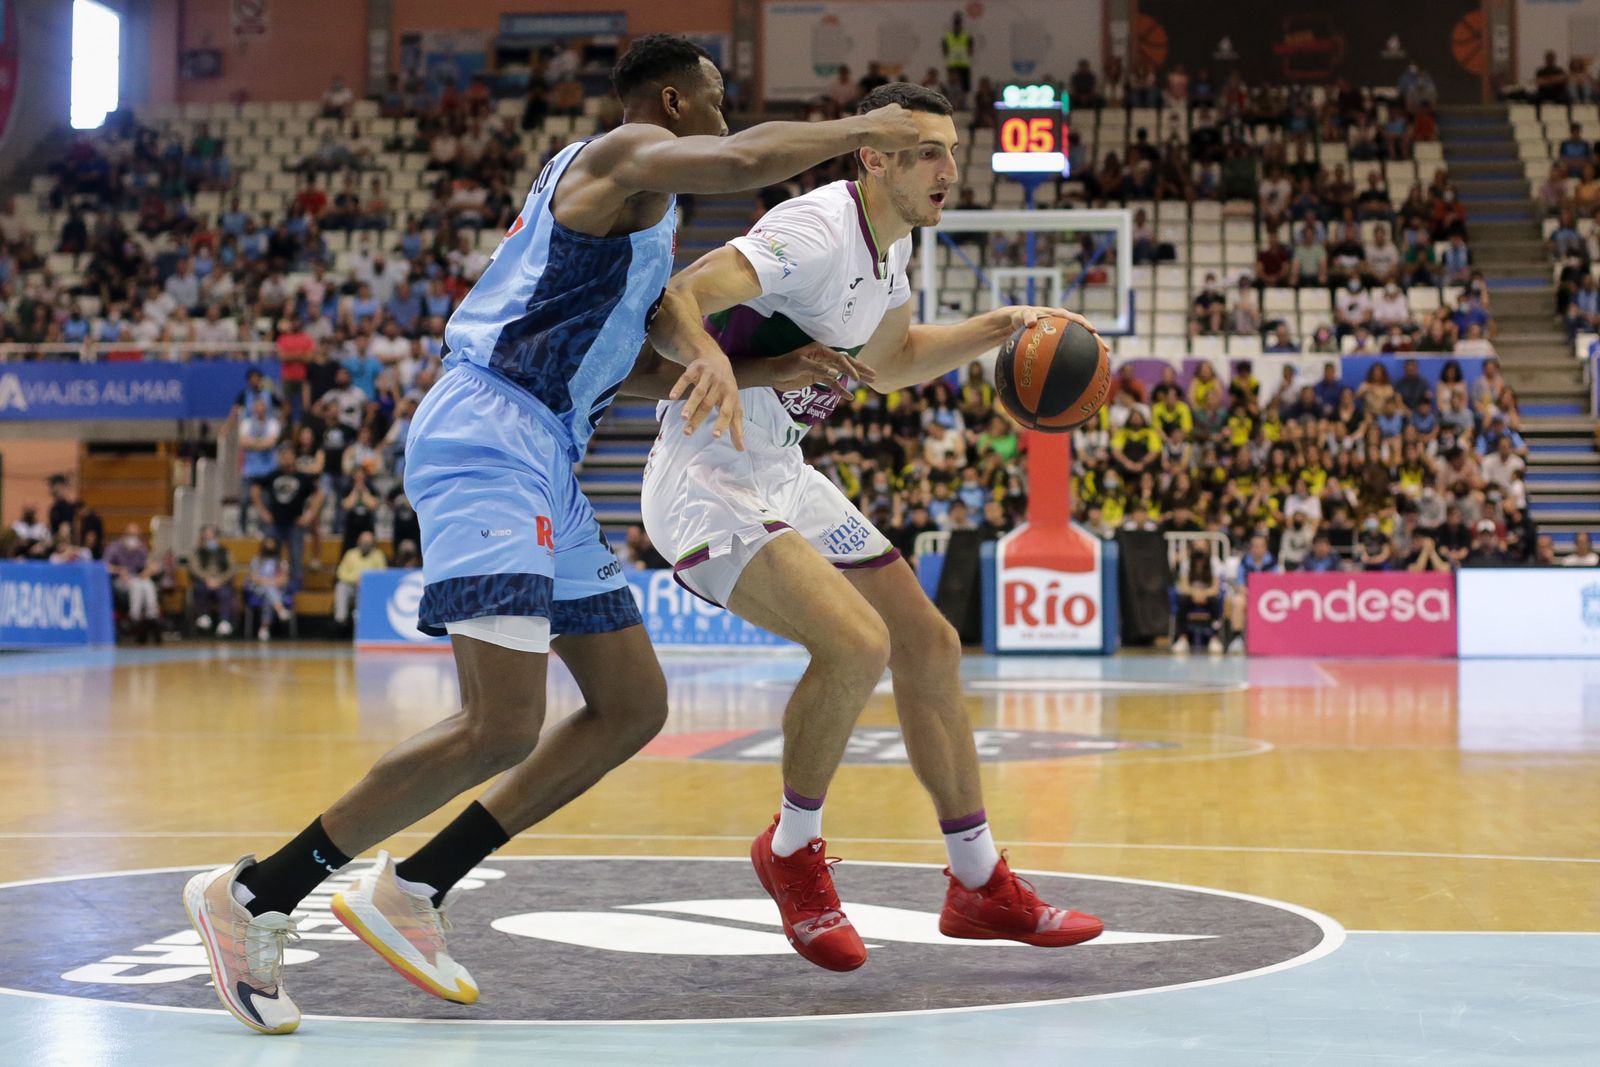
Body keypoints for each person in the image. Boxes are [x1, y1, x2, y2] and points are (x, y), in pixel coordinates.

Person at [183, 34, 926, 1036]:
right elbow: (749, 160)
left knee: (630, 703)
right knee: (500, 722)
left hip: (548, 453)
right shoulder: (617, 155)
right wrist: (864, 129)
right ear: (671, 102)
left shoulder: (640, 228)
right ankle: (259, 894)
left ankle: (417, 886)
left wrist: (752, 367)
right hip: (488, 434)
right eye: (713, 102)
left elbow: (637, 366)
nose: (722, 117)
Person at [631, 82, 1105, 975]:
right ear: (873, 157)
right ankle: (792, 851)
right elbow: (675, 300)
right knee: (856, 645)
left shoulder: (894, 249)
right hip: (707, 473)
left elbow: (887, 365)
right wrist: (722, 369)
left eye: (954, 151)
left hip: (782, 470)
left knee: (926, 643)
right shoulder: (814, 229)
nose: (950, 169)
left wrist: (1004, 326)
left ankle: (977, 883)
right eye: (929, 151)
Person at [105, 523, 162, 643]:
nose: (134, 539)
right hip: (120, 581)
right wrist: (119, 570)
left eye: (137, 536)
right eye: (131, 535)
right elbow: (104, 566)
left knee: (148, 584)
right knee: (137, 585)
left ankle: (152, 616)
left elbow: (152, 565)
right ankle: (134, 617)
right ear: (124, 535)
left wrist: (148, 571)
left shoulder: (141, 548)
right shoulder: (114, 547)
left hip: (136, 578)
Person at [333, 530, 388, 630]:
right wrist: (355, 579)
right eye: (364, 541)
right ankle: (340, 617)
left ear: (373, 543)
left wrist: (367, 581)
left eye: (368, 542)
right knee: (341, 587)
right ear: (359, 541)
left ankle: (361, 619)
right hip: (351, 585)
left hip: (370, 588)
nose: (366, 544)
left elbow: (382, 574)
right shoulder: (350, 554)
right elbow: (341, 573)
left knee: (364, 591)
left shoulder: (378, 555)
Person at [189, 524, 237, 636]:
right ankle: (203, 617)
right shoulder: (197, 551)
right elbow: (194, 567)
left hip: (221, 581)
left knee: (226, 592)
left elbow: (232, 568)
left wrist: (220, 579)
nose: (209, 537)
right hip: (204, 581)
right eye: (206, 535)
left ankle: (224, 621)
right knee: (200, 589)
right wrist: (207, 579)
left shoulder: (225, 551)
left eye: (211, 534)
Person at [941, 12, 974, 95]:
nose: (957, 27)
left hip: (963, 65)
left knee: (965, 88)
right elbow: (945, 51)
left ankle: (963, 103)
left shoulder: (967, 37)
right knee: (952, 87)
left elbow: (970, 51)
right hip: (952, 65)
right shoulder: (948, 37)